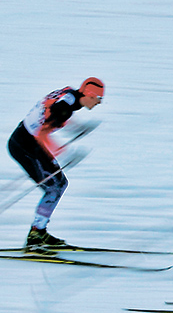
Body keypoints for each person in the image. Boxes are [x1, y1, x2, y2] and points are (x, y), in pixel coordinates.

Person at [7, 78, 104, 251]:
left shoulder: (71, 97)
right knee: (55, 186)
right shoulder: (65, 107)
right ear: (89, 95)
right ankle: (35, 237)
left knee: (59, 185)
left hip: (27, 142)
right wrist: (64, 154)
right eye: (98, 98)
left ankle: (39, 232)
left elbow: (52, 114)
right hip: (25, 146)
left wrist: (77, 129)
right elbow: (43, 133)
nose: (99, 103)